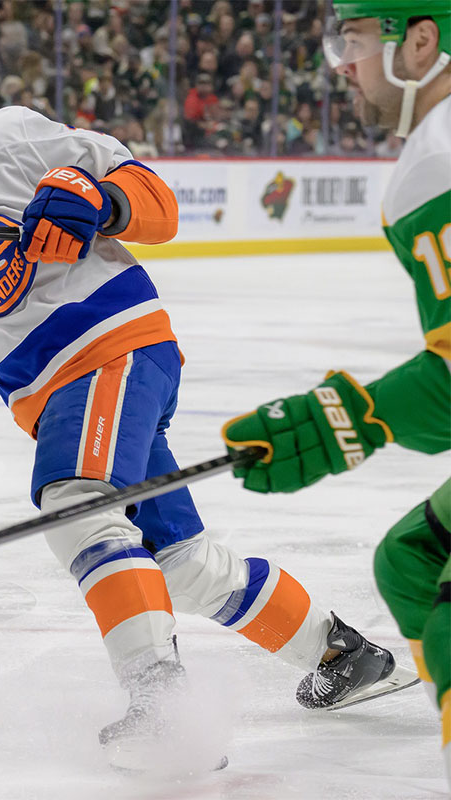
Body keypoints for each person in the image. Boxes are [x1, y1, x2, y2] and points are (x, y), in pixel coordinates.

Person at [0, 62, 409, 771]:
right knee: (182, 564)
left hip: (108, 352)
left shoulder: (9, 138)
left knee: (78, 505)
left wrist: (95, 198)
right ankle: (344, 655)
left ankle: (163, 706)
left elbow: (155, 202)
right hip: (68, 391)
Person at [222, 1, 450, 785]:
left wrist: (350, 419)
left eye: (353, 41)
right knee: (414, 560)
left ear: (420, 41)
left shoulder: (441, 154)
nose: (339, 64)